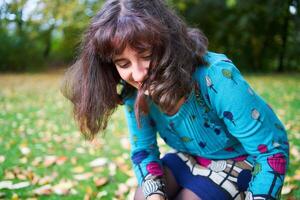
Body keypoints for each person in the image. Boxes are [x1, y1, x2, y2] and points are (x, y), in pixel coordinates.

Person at [61, 0, 289, 199]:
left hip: (239, 161)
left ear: (168, 43)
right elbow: (143, 150)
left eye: (147, 56)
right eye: (123, 64)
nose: (138, 75)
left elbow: (271, 151)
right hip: (188, 158)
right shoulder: (133, 92)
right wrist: (155, 194)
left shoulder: (217, 76)